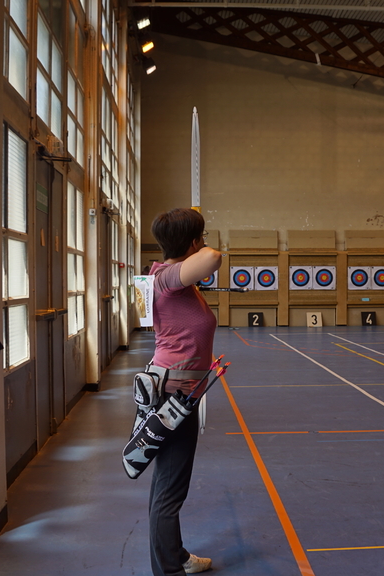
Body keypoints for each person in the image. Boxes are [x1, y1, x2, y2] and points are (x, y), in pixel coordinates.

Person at [146, 208, 222, 575]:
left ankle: (175, 556)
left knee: (167, 483)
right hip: (172, 398)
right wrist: (199, 242)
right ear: (192, 243)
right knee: (169, 492)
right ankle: (170, 570)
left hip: (178, 392)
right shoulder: (166, 278)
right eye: (200, 236)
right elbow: (213, 257)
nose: (205, 242)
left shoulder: (174, 281)